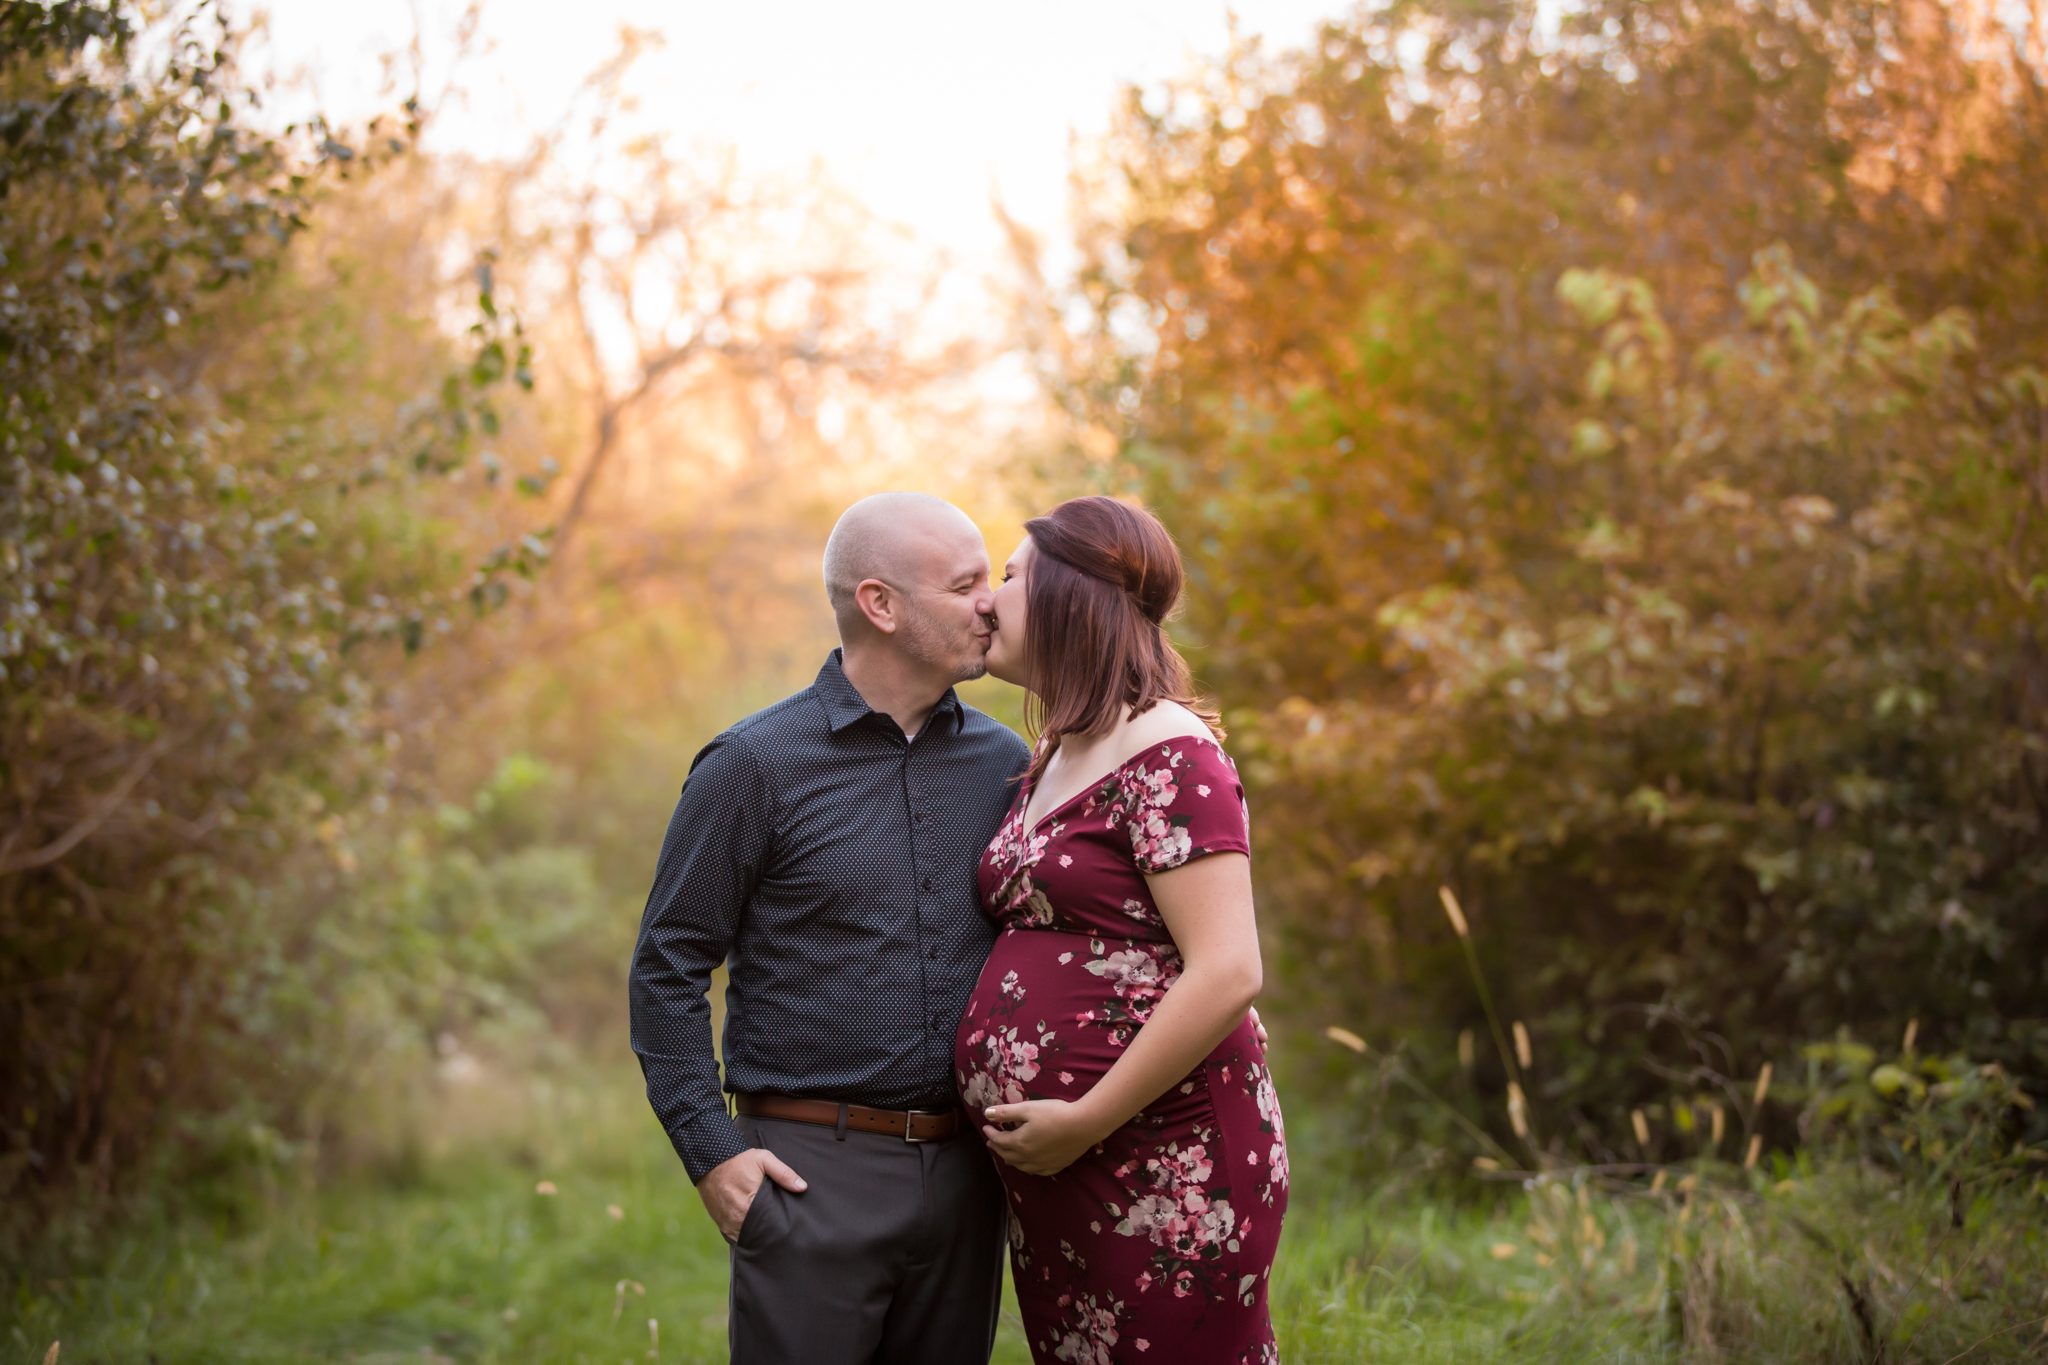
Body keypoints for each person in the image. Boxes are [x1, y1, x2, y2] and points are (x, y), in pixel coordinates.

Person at [629, 491, 1028, 1365]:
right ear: (881, 605)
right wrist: (713, 1154)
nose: (989, 602)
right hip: (811, 1172)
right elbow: (667, 965)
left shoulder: (1009, 765)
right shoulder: (754, 765)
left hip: (970, 1178)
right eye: (964, 584)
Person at [955, 495, 1287, 1365]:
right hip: (1066, 1167)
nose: (988, 599)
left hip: (1166, 1153)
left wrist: (1086, 1115)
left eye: (1010, 575)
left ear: (1072, 594)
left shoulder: (1169, 746)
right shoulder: (1055, 756)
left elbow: (1227, 970)